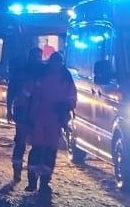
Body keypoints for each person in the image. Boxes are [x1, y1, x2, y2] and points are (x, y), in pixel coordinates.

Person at [24, 53, 77, 192]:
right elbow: (28, 93)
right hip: (38, 118)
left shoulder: (65, 77)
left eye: (58, 63)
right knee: (37, 149)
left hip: (54, 120)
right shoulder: (41, 74)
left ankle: (44, 182)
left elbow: (72, 97)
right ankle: (32, 181)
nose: (56, 65)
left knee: (49, 151)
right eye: (54, 63)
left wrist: (65, 108)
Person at [6, 47, 44, 183]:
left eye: (39, 57)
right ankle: (17, 172)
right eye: (36, 56)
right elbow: (11, 91)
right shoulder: (22, 72)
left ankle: (32, 176)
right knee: (20, 143)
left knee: (36, 144)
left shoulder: (42, 72)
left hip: (36, 113)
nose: (37, 59)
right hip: (22, 111)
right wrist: (9, 110)